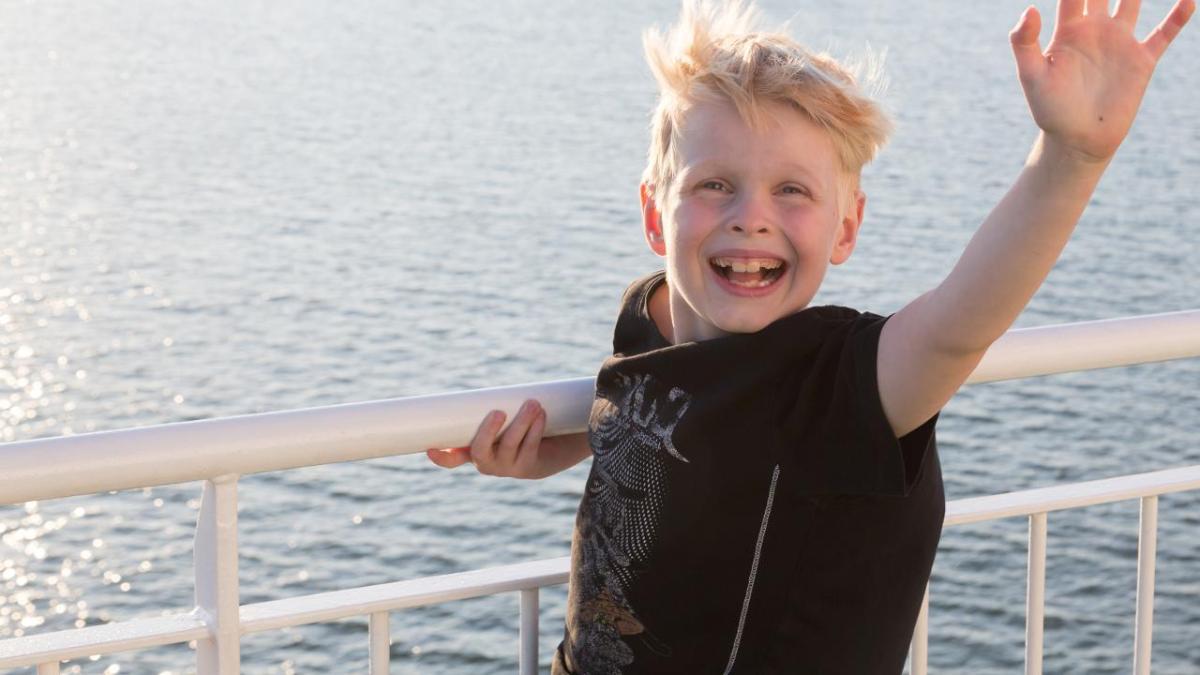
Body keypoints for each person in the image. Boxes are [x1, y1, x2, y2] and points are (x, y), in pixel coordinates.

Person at [427, 0, 1194, 671]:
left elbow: (961, 323)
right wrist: (579, 436)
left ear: (846, 227)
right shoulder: (650, 318)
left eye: (792, 190)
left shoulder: (843, 385)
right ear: (656, 212)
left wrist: (1071, 157)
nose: (750, 215)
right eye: (713, 184)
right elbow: (692, 419)